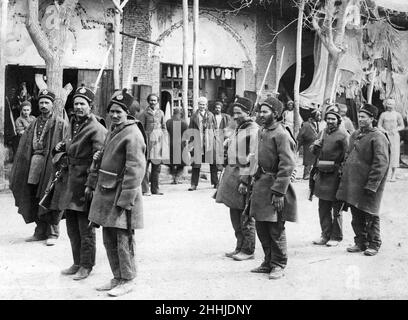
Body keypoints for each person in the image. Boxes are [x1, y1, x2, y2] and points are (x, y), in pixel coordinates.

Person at [88, 89, 146, 297]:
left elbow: (135, 169)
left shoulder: (132, 134)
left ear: (128, 114)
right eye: (112, 111)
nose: (114, 115)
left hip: (122, 196)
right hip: (106, 194)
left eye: (119, 112)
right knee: (109, 237)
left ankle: (128, 279)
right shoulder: (114, 130)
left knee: (123, 239)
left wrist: (126, 200)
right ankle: (117, 277)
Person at [54, 86, 107, 280]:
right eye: (76, 103)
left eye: (82, 104)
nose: (78, 107)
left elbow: (99, 159)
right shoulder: (73, 124)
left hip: (85, 183)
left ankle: (86, 265)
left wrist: (91, 185)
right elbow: (69, 146)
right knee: (72, 228)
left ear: (90, 106)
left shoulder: (97, 128)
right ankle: (76, 262)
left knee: (86, 229)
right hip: (70, 183)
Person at [10, 89, 68, 246]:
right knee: (34, 195)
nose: (43, 105)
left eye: (46, 102)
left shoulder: (60, 123)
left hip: (51, 164)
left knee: (50, 195)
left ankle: (53, 233)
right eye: (41, 102)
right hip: (34, 163)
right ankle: (40, 230)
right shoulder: (33, 123)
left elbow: (65, 148)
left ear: (52, 104)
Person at [249, 97, 297, 280]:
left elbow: (287, 165)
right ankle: (268, 261)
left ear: (275, 114)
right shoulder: (262, 131)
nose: (261, 115)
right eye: (260, 111)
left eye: (265, 112)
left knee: (275, 227)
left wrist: (279, 192)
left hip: (275, 186)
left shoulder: (281, 134)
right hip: (261, 184)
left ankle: (278, 264)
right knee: (261, 225)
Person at [336, 104, 390, 256]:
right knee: (356, 213)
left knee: (370, 214)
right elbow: (348, 155)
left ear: (372, 119)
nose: (360, 119)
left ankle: (374, 243)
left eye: (363, 117)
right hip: (354, 183)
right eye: (359, 116)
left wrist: (372, 185)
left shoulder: (378, 137)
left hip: (369, 185)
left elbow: (381, 163)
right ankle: (360, 242)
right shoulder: (355, 134)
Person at [215, 97, 258, 261]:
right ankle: (239, 246)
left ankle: (248, 250)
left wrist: (245, 181)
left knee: (245, 215)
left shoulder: (253, 130)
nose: (235, 116)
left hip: (242, 178)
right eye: (234, 113)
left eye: (239, 113)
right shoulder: (241, 128)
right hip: (232, 176)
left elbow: (252, 158)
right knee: (235, 213)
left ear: (249, 113)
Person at [310, 105, 349, 247]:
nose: (330, 121)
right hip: (322, 173)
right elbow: (314, 152)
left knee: (336, 208)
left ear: (338, 120)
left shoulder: (344, 135)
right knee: (323, 206)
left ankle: (336, 236)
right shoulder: (322, 132)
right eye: (328, 118)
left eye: (333, 118)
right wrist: (315, 145)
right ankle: (325, 234)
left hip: (335, 174)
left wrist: (342, 173)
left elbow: (347, 156)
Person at [188, 96, 218, 190]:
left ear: (206, 105)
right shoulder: (194, 116)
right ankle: (194, 184)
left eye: (204, 104)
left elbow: (215, 128)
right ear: (198, 105)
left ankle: (215, 182)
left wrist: (216, 140)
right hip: (198, 141)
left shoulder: (210, 115)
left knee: (213, 163)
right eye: (200, 104)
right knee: (196, 164)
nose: (202, 106)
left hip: (209, 141)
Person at [138, 93, 166, 195]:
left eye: (155, 100)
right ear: (148, 101)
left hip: (158, 143)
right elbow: (140, 128)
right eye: (151, 100)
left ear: (157, 102)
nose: (153, 102)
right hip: (147, 142)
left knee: (157, 167)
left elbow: (164, 126)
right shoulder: (144, 113)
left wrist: (164, 137)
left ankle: (155, 189)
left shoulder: (161, 113)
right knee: (145, 166)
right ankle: (145, 189)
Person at [378, 98, 404, 182]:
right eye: (388, 104)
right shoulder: (383, 114)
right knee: (385, 154)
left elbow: (402, 126)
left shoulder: (397, 114)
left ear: (394, 105)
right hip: (385, 135)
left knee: (394, 154)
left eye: (391, 104)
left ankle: (393, 175)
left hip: (394, 136)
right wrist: (384, 131)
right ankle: (385, 175)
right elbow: (379, 125)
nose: (389, 106)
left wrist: (395, 130)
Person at [297, 109, 322, 179]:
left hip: (315, 145)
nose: (319, 117)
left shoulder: (317, 123)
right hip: (308, 145)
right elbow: (300, 136)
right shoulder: (306, 125)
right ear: (314, 116)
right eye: (318, 115)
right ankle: (306, 174)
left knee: (315, 160)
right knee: (308, 160)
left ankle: (313, 174)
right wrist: (298, 146)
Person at [166, 107, 188, 184]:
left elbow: (167, 131)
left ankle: (173, 177)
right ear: (181, 113)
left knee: (171, 163)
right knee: (181, 163)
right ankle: (177, 177)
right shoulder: (184, 122)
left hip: (171, 143)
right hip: (181, 144)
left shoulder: (168, 122)